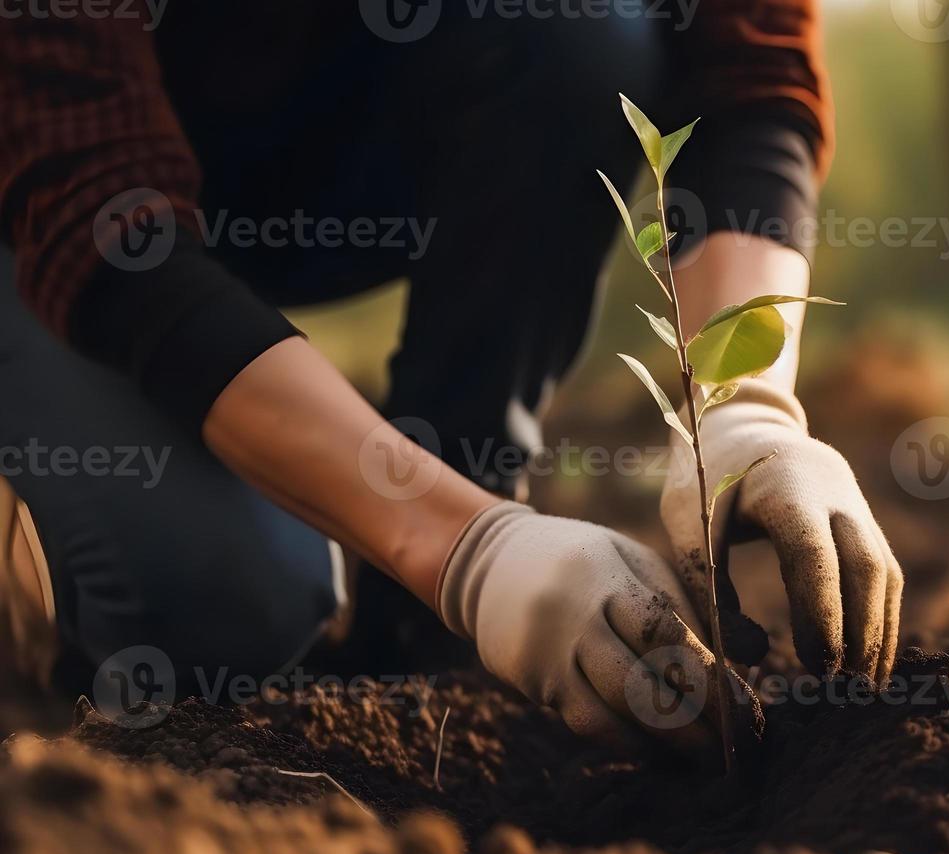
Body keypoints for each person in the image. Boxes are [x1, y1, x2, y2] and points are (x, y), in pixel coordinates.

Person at [0, 1, 903, 760]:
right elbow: (96, 207)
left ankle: (417, 628)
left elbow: (746, 84)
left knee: (582, 32)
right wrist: (467, 551)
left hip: (316, 147)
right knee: (216, 611)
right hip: (44, 193)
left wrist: (745, 407)